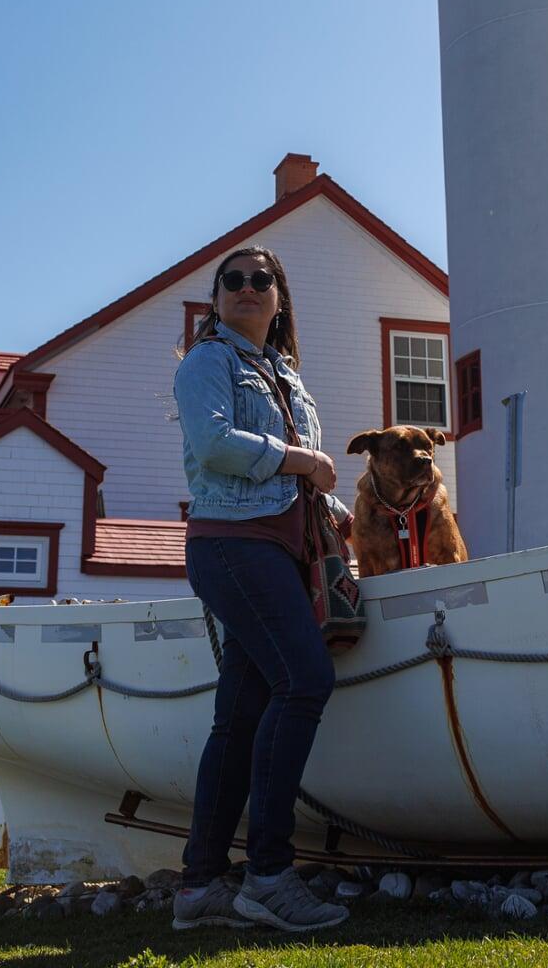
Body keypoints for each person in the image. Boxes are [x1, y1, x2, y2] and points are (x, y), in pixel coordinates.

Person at [170, 244, 352, 933]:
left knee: (240, 716)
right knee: (304, 682)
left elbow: (297, 486)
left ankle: (199, 886)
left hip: (280, 546)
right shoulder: (206, 362)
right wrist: (301, 457)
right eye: (233, 281)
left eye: (261, 280)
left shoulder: (285, 375)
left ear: (278, 299)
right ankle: (269, 876)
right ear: (217, 299)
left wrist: (345, 518)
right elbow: (215, 446)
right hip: (234, 546)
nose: (247, 288)